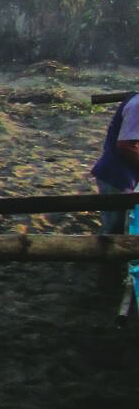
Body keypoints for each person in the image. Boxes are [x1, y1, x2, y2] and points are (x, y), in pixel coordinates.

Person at [90, 92, 139, 294]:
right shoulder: (137, 105)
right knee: (113, 230)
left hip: (127, 174)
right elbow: (126, 146)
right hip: (117, 176)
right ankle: (107, 283)